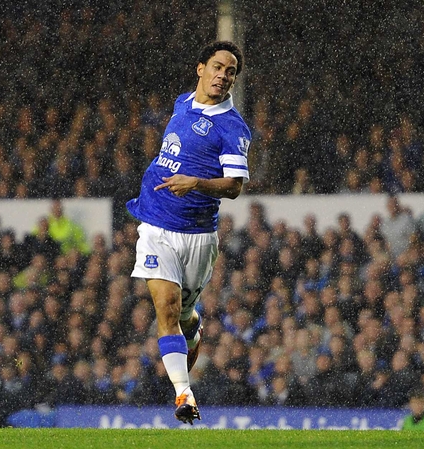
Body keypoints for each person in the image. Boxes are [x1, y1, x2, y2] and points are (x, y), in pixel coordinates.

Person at [126, 41, 251, 425]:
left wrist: (195, 182)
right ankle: (184, 393)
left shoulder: (233, 127)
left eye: (230, 72)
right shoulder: (182, 103)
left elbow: (234, 186)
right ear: (200, 69)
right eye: (217, 67)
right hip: (155, 224)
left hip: (196, 235)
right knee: (164, 306)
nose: (222, 75)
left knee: (182, 319)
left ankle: (193, 325)